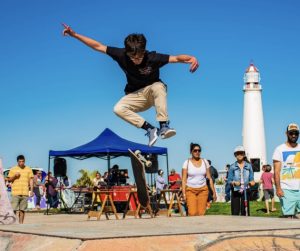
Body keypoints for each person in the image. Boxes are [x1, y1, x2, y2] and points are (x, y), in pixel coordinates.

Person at [62, 24, 199, 146]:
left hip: (152, 93)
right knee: (118, 108)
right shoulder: (121, 55)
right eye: (132, 57)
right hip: (135, 96)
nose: (136, 60)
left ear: (144, 51)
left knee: (158, 86)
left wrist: (191, 58)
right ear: (127, 53)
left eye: (139, 57)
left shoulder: (153, 57)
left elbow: (175, 58)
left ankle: (163, 126)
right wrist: (74, 35)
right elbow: (98, 46)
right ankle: (150, 129)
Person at [273, 123, 300, 219]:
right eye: (291, 133)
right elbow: (276, 171)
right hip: (286, 189)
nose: (294, 135)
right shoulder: (279, 149)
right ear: (286, 133)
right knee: (288, 217)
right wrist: (278, 188)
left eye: (296, 133)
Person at [182, 143, 216, 216]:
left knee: (201, 214)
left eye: (199, 150)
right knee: (192, 213)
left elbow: (209, 178)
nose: (197, 152)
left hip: (203, 190)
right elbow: (184, 180)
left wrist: (214, 192)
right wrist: (184, 193)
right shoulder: (186, 163)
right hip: (190, 190)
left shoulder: (205, 162)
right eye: (195, 150)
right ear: (191, 152)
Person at [228, 146, 255, 216]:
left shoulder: (249, 166)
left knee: (245, 211)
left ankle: (246, 225)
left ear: (244, 154)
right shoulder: (232, 166)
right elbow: (229, 180)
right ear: (235, 155)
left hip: (246, 189)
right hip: (235, 190)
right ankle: (235, 225)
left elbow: (251, 178)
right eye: (237, 153)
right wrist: (234, 182)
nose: (239, 155)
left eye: (241, 153)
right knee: (235, 211)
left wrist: (252, 182)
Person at [7, 155, 34, 224]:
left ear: (24, 161)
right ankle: (13, 223)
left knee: (22, 210)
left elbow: (31, 180)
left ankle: (21, 224)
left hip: (25, 192)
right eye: (20, 161)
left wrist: (31, 191)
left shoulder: (28, 169)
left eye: (22, 161)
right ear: (17, 162)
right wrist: (14, 176)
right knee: (14, 209)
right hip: (15, 193)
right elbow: (9, 179)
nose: (21, 163)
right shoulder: (13, 169)